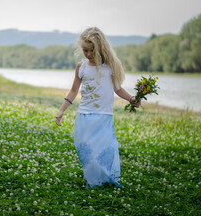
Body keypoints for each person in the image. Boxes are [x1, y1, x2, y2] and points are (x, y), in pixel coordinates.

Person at [55, 27, 139, 187]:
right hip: (84, 116)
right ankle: (92, 179)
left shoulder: (109, 67)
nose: (87, 54)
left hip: (104, 116)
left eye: (91, 50)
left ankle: (104, 179)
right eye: (85, 50)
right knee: (86, 150)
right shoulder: (82, 67)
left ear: (100, 48)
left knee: (104, 149)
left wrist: (131, 99)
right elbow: (73, 91)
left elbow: (118, 89)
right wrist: (61, 110)